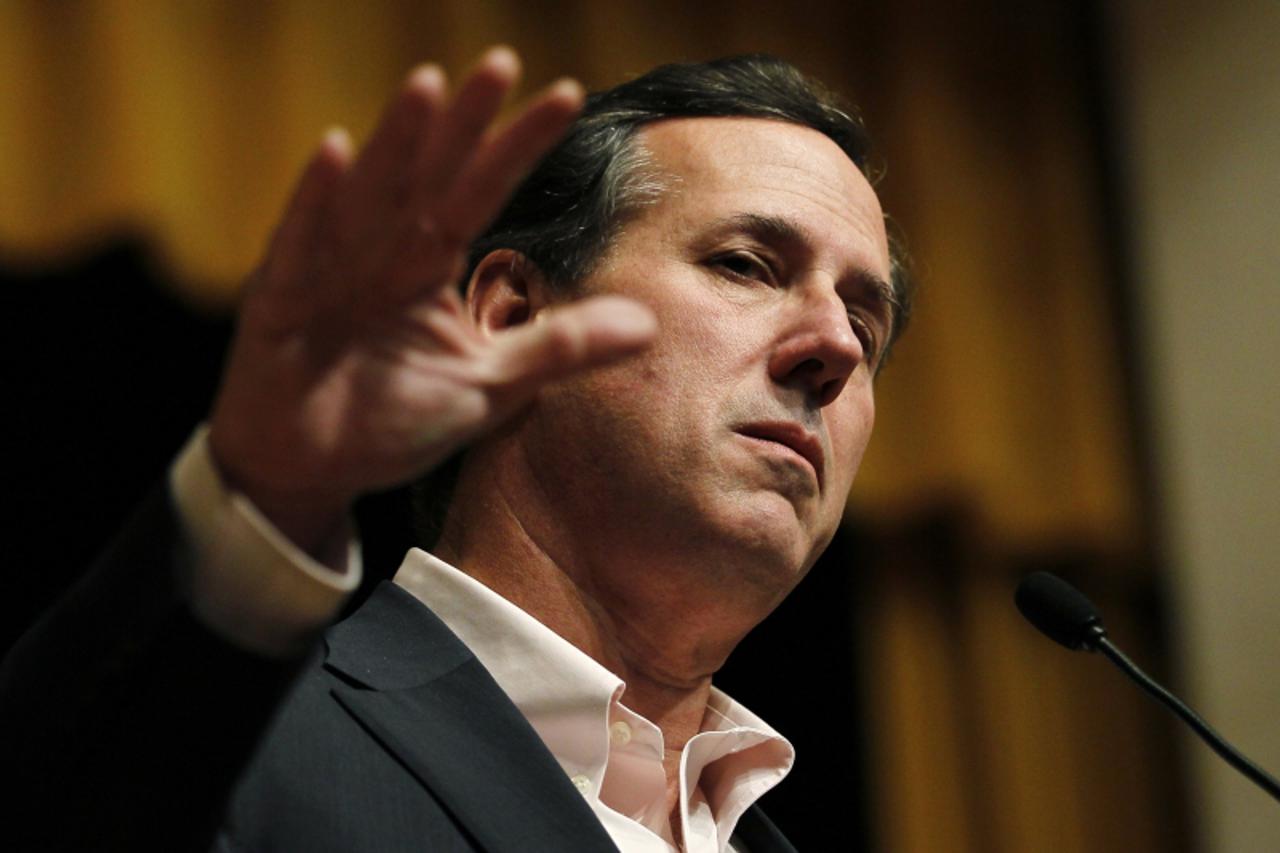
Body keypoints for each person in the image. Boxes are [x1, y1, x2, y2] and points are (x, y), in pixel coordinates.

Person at [0, 47, 909, 852]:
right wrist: (258, 498)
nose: (833, 345)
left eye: (866, 326)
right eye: (745, 265)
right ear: (512, 315)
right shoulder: (234, 741)